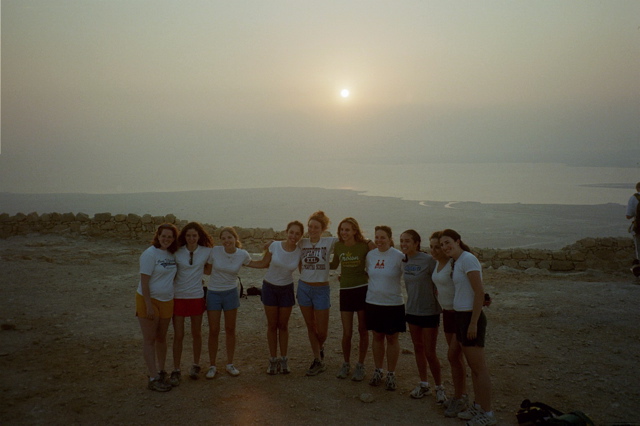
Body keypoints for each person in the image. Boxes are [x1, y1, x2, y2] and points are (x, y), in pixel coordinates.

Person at [439, 229, 496, 426]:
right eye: (442, 245)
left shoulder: (468, 259)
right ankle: (478, 406)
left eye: (448, 242)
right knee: (460, 359)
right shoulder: (457, 261)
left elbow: (479, 291)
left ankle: (487, 414)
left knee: (479, 368)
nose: (445, 247)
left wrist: (473, 322)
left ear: (457, 241)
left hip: (470, 319)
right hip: (460, 317)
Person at [205, 227, 264, 379]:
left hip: (231, 293)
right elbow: (207, 270)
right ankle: (212, 366)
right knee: (213, 330)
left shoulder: (242, 254)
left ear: (235, 238)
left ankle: (230, 364)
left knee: (230, 329)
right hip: (213, 293)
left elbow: (258, 264)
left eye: (229, 237)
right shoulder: (215, 251)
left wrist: (272, 252)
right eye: (223, 238)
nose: (226, 241)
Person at [400, 230, 445, 403]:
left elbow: (442, 279)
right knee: (418, 348)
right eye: (402, 241)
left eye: (408, 241)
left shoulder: (428, 261)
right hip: (412, 311)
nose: (404, 244)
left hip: (429, 311)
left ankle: (439, 387)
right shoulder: (404, 260)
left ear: (417, 242)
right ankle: (424, 384)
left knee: (430, 352)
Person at [329, 217, 374, 381]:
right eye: (342, 229)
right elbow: (334, 265)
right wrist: (313, 262)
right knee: (347, 332)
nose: (344, 233)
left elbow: (376, 259)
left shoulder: (365, 245)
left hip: (362, 290)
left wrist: (369, 275)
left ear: (355, 231)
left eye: (347, 230)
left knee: (363, 330)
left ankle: (360, 365)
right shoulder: (339, 246)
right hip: (346, 292)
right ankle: (346, 363)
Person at [135, 223, 179, 392]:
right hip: (149, 300)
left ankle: (162, 371)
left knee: (162, 337)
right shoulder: (149, 254)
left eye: (170, 236)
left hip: (167, 300)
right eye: (163, 236)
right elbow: (144, 281)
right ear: (158, 236)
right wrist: (148, 306)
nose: (166, 239)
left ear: (174, 238)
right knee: (150, 339)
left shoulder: (172, 254)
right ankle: (153, 377)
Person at [169, 222, 213, 385]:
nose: (191, 238)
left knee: (196, 333)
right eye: (188, 235)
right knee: (178, 335)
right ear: (184, 237)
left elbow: (211, 268)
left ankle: (195, 365)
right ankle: (176, 368)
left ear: (199, 236)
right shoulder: (177, 252)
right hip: (178, 296)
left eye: (194, 235)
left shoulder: (207, 252)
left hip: (196, 296)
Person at [430, 230, 469, 417]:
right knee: (455, 358)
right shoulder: (438, 264)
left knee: (454, 355)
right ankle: (459, 396)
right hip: (446, 313)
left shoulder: (455, 263)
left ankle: (461, 397)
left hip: (459, 313)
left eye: (438, 246)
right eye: (433, 247)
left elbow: (467, 284)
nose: (436, 250)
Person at [257, 220, 304, 375]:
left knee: (283, 326)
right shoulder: (275, 246)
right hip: (269, 287)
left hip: (286, 290)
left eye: (297, 233)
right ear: (286, 232)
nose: (294, 235)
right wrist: (241, 262)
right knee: (272, 325)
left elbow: (305, 270)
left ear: (300, 236)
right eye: (291, 232)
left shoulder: (300, 251)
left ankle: (283, 359)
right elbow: (264, 263)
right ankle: (272, 359)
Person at [365, 225, 406, 391]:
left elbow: (410, 275)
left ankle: (391, 373)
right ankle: (378, 370)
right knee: (377, 337)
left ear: (390, 239)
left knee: (392, 338)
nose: (379, 241)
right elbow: (368, 274)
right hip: (373, 302)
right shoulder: (370, 255)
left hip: (393, 303)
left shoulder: (398, 256)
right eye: (377, 237)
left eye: (383, 237)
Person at [298, 211, 338, 376]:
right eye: (310, 226)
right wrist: (271, 243)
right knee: (310, 326)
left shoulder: (329, 242)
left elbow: (350, 240)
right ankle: (317, 360)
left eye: (316, 227)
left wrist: (370, 242)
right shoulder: (302, 243)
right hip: (304, 288)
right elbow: (286, 244)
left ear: (323, 229)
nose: (312, 230)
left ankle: (320, 347)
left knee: (322, 331)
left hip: (322, 289)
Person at [626, 182, 640, 268]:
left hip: (639, 227)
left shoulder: (634, 198)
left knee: (638, 248)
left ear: (637, 188)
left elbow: (628, 216)